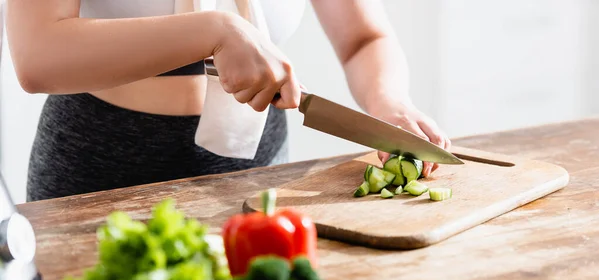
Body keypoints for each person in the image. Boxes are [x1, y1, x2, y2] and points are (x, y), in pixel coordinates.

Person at [6, 0, 451, 202]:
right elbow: (36, 55)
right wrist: (214, 31)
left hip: (259, 173)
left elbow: (362, 38)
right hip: (99, 169)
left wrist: (387, 99)